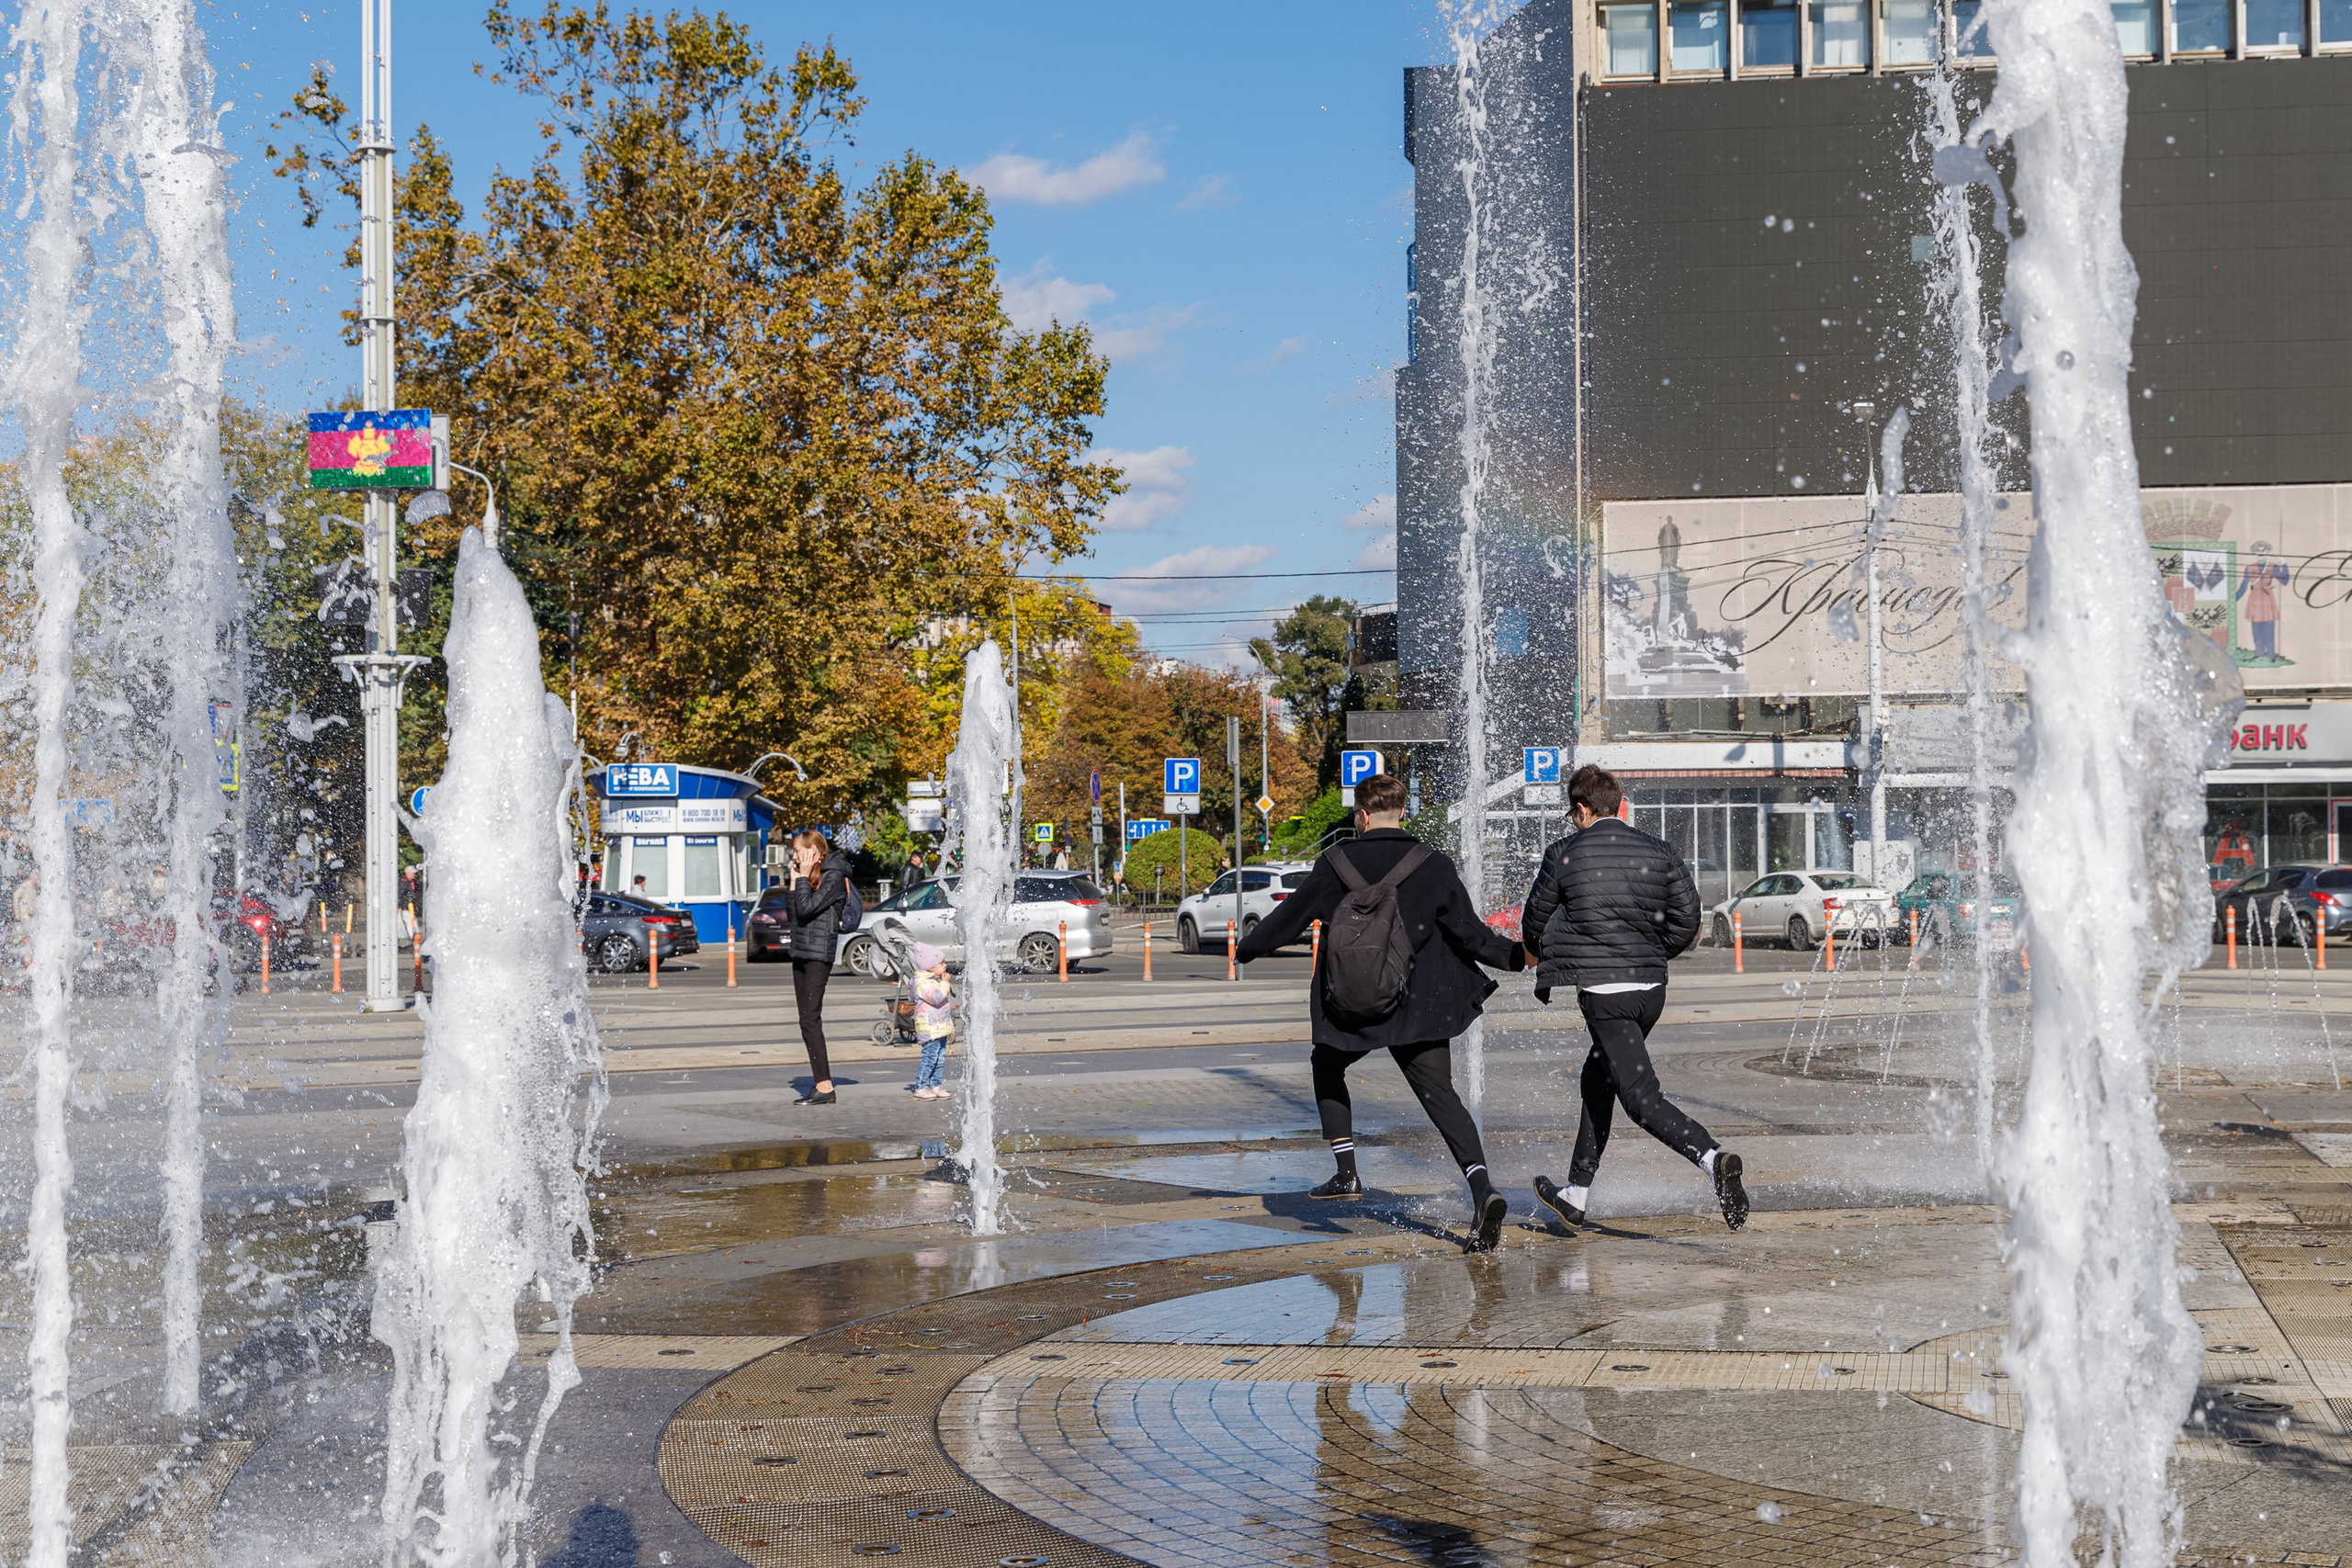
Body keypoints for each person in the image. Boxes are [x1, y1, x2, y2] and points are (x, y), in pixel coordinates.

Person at [1234, 773, 1526, 1251]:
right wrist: (1516, 956)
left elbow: (1289, 919)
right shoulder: (1433, 863)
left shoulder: (1335, 862)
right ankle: (1482, 1189)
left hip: (1353, 1003)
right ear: (1403, 812)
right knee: (1440, 1096)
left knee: (1327, 1064)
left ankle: (1346, 1172)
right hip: (1420, 1007)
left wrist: (1247, 948)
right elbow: (1469, 934)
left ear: (1362, 816)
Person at [1520, 763, 1748, 1233]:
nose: (1573, 821)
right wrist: (1651, 955)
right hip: (1651, 991)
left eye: (1573, 814)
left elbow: (1533, 922)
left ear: (1582, 808)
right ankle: (1576, 1194)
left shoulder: (1564, 854)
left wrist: (1561, 949)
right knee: (1598, 1076)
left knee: (1640, 1098)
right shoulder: (1658, 849)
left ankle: (1712, 1159)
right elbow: (1689, 919)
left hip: (1607, 995)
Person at [786, 828, 852, 1106]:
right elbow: (794, 915)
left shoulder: (833, 876)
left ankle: (825, 1086)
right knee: (806, 1019)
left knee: (810, 1018)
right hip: (800, 951)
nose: (794, 856)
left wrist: (802, 877)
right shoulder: (810, 874)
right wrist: (795, 880)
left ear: (813, 850)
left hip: (817, 954)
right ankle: (822, 1083)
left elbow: (807, 908)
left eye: (797, 851)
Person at [907, 942, 955, 1100]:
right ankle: (920, 1087)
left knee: (939, 1059)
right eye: (941, 963)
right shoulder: (924, 983)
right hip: (930, 1028)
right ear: (931, 967)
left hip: (939, 1027)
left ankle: (935, 1085)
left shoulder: (933, 980)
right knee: (929, 1059)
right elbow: (936, 998)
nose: (945, 965)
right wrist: (945, 984)